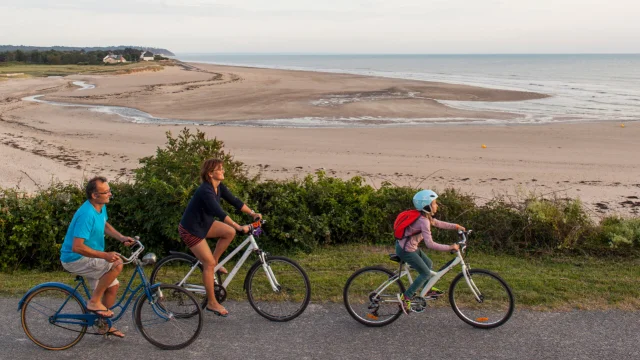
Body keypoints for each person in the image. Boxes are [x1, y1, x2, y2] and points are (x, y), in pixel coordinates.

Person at [179, 158, 261, 316]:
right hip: (191, 229)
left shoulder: (218, 187)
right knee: (208, 263)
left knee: (228, 233)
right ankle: (211, 302)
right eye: (220, 169)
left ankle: (214, 264)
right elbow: (219, 212)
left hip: (204, 224)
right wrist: (238, 226)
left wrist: (252, 213)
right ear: (210, 174)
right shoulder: (205, 191)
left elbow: (235, 201)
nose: (223, 171)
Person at [60, 176, 135, 338]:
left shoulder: (100, 207)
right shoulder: (86, 214)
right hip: (74, 258)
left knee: (112, 286)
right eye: (106, 192)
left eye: (109, 191)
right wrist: (105, 255)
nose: (110, 194)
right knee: (117, 264)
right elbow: (77, 247)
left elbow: (104, 225)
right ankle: (94, 302)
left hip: (89, 257)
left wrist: (121, 237)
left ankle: (103, 325)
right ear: (94, 195)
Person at [396, 189, 465, 314]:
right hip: (406, 250)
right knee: (426, 273)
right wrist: (450, 247)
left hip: (408, 247)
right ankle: (406, 297)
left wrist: (455, 226)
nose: (436, 205)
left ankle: (426, 289)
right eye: (434, 203)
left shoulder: (424, 217)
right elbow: (430, 244)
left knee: (428, 263)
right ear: (427, 206)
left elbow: (438, 223)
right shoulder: (423, 221)